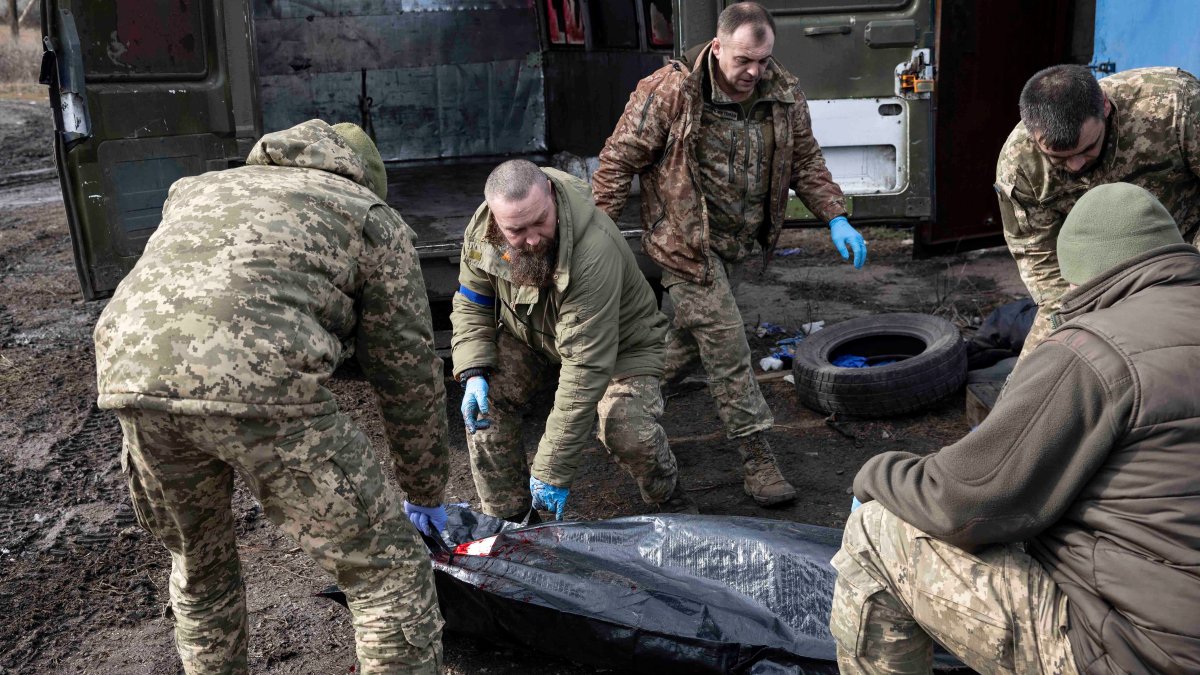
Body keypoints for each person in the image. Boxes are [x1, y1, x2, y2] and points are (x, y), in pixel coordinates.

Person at [93, 120, 449, 674]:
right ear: (365, 178)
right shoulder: (369, 217)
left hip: (131, 381)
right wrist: (424, 490)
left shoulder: (197, 188)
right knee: (387, 573)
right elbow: (406, 372)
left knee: (200, 568)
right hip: (265, 387)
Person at [829, 183, 1200, 674]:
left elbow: (967, 499)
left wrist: (876, 477)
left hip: (1137, 654)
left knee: (879, 529)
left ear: (1084, 276)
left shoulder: (1094, 351)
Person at [592, 1, 868, 507]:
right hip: (683, 246)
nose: (754, 72)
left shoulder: (782, 92)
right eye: (744, 60)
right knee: (728, 348)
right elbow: (616, 163)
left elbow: (804, 159)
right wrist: (598, 241)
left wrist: (835, 215)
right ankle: (757, 458)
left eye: (763, 60)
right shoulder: (671, 92)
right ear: (717, 47)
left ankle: (617, 400)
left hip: (736, 248)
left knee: (680, 345)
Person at [451, 159, 696, 522]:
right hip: (537, 339)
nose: (532, 239)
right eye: (517, 230)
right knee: (485, 406)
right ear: (495, 219)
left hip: (619, 348)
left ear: (550, 194)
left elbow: (585, 366)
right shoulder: (483, 230)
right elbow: (473, 302)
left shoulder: (593, 250)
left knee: (625, 430)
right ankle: (507, 521)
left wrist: (551, 471)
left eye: (540, 221)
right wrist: (472, 372)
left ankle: (669, 495)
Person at [996, 64, 1200, 358]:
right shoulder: (1021, 166)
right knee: (1042, 365)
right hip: (1099, 272)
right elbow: (1038, 256)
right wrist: (1073, 312)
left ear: (1105, 106)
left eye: (1087, 148)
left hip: (1186, 243)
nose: (1076, 165)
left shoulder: (1174, 105)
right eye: (1059, 158)